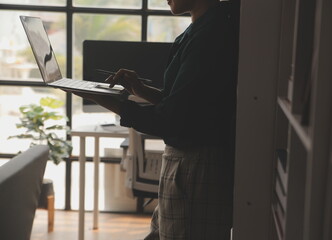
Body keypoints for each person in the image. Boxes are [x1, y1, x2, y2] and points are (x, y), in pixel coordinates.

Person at [70, 0, 237, 239]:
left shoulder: (211, 36)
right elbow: (185, 106)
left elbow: (172, 120)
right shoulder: (200, 29)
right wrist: (141, 90)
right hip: (184, 164)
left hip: (195, 166)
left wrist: (107, 101)